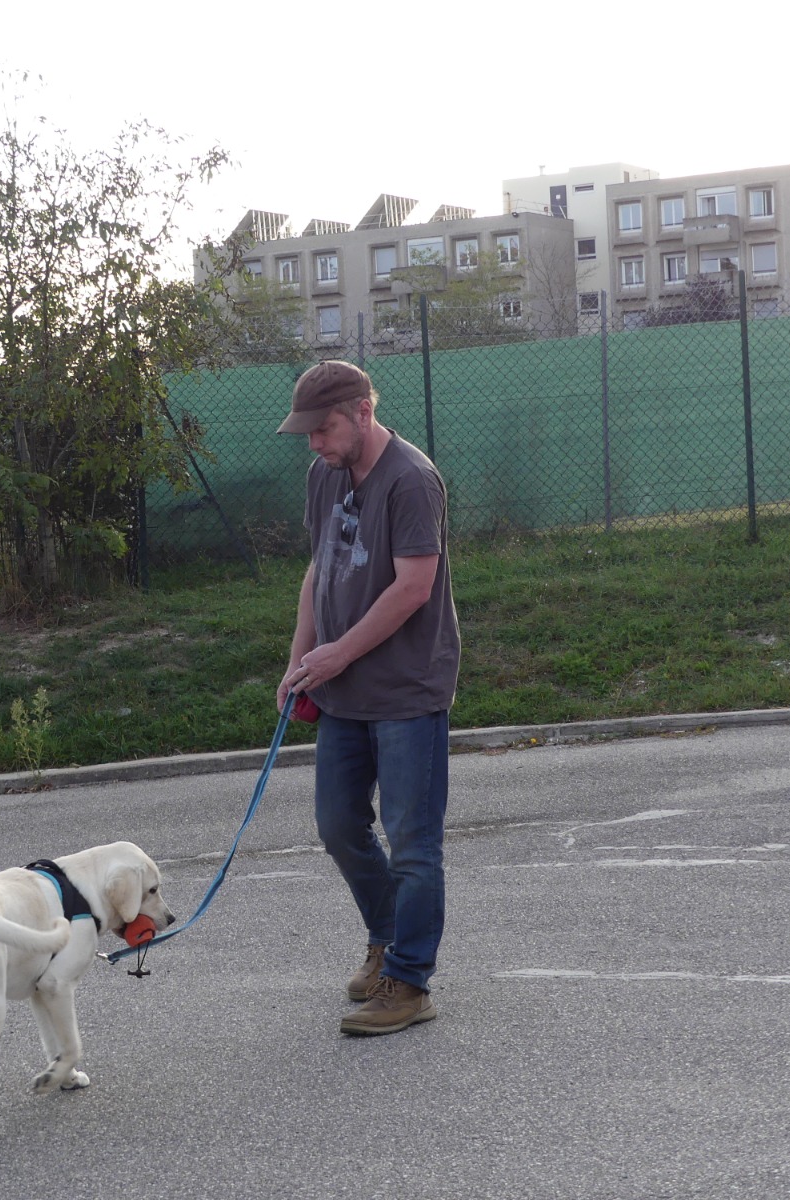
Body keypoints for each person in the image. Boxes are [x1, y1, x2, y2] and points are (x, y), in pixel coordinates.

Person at [275, 359, 460, 1036]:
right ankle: (386, 938)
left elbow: (413, 588)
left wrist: (338, 652)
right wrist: (300, 659)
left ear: (362, 411)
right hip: (341, 690)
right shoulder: (323, 474)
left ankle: (408, 984)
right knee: (337, 824)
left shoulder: (411, 480)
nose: (314, 443)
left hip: (407, 689)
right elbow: (318, 568)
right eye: (307, 433)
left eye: (323, 428)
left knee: (413, 842)